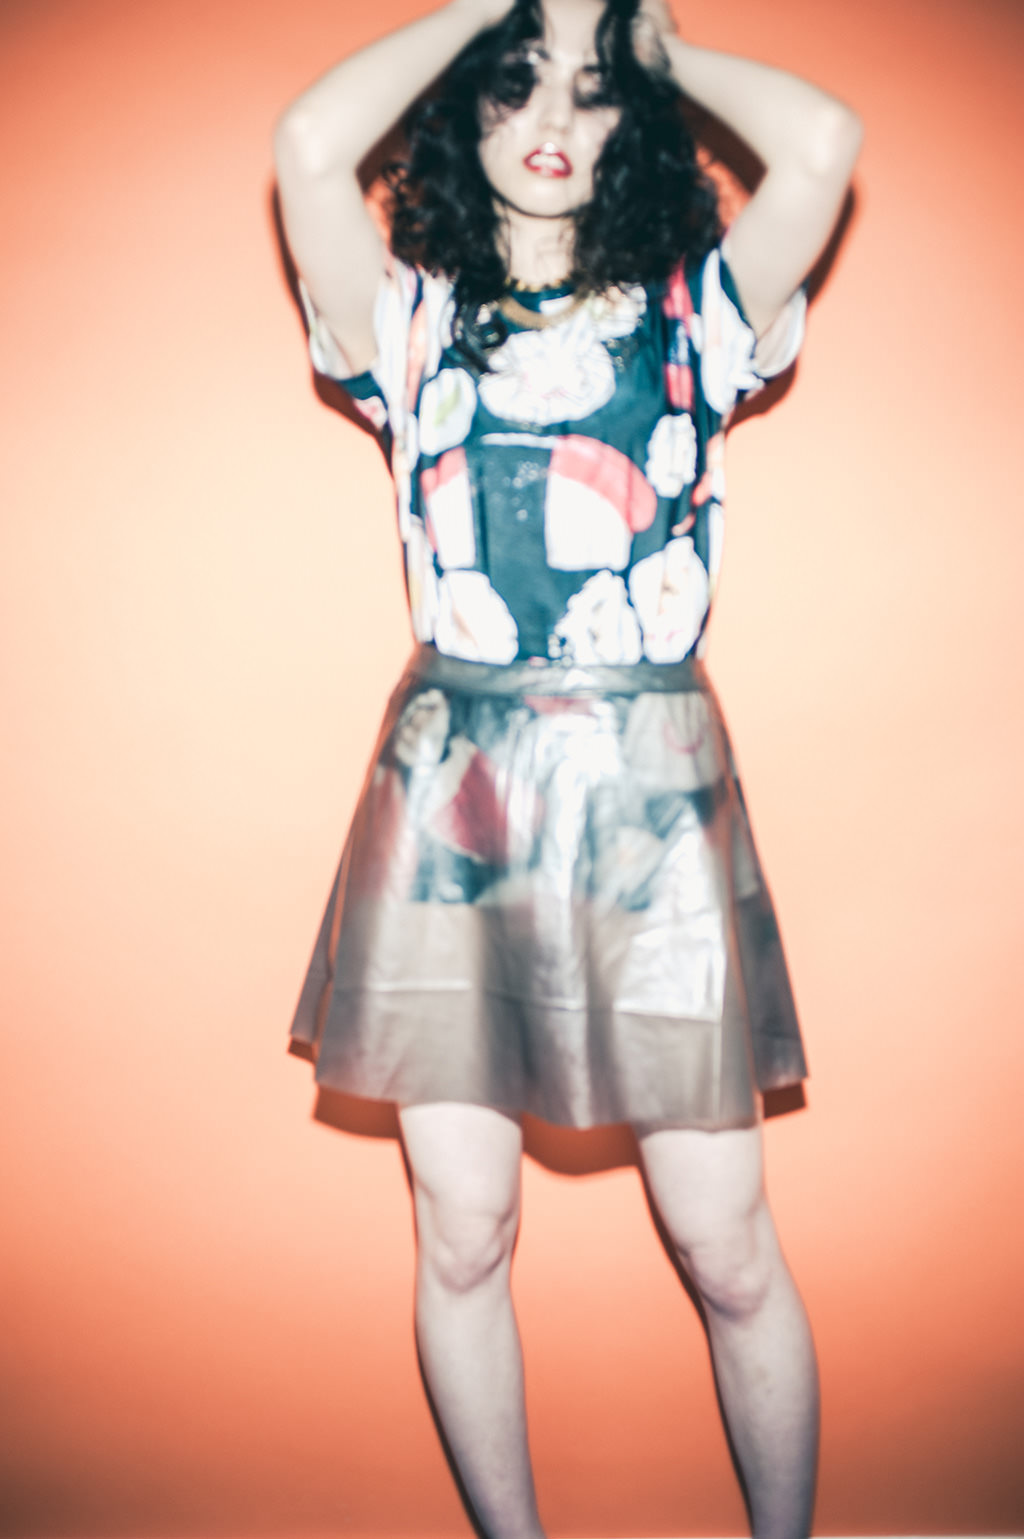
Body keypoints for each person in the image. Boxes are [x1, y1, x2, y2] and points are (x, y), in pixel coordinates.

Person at [274, 1, 861, 1534]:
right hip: (451, 796)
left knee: (727, 1246)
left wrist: (656, 51)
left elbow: (822, 144)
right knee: (462, 1233)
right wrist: (488, 9)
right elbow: (310, 146)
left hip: (651, 795)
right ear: (464, 109)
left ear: (636, 121)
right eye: (516, 87)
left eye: (592, 94)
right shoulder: (404, 320)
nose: (551, 120)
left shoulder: (701, 311)